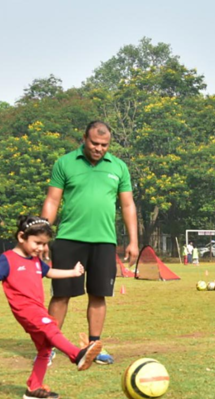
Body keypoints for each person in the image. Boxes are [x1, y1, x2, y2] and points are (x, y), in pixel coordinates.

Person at [0, 216, 102, 399]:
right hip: (25, 310)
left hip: (38, 309)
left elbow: (50, 272)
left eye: (44, 244)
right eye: (37, 243)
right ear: (21, 237)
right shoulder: (8, 259)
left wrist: (73, 273)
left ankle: (34, 388)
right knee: (51, 327)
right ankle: (77, 355)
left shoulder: (35, 261)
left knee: (45, 348)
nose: (41, 248)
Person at [41, 121, 137, 365]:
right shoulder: (65, 163)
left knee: (99, 294)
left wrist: (133, 241)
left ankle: (94, 346)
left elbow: (127, 205)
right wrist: (42, 237)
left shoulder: (119, 167)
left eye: (104, 145)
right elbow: (52, 200)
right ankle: (48, 348)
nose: (98, 148)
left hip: (104, 241)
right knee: (61, 295)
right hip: (68, 239)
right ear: (84, 138)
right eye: (94, 143)